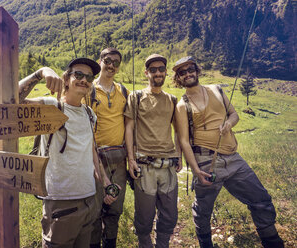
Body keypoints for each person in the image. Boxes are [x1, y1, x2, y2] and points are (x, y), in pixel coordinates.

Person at [173, 56, 284, 248]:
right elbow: (183, 140)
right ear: (178, 78)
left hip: (233, 158)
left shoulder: (216, 89)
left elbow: (234, 114)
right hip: (206, 161)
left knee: (261, 199)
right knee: (203, 211)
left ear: (197, 70)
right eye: (182, 72)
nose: (188, 73)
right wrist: (196, 170)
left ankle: (272, 242)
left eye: (191, 69)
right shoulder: (182, 105)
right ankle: (205, 243)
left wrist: (229, 124)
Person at [18, 57, 117, 248]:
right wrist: (42, 71)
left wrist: (105, 182)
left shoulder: (90, 114)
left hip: (89, 200)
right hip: (61, 202)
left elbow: (91, 151)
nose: (84, 80)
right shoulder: (51, 107)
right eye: (78, 74)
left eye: (89, 77)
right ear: (66, 79)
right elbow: (9, 99)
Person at [124, 54, 182, 248]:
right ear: (146, 72)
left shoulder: (172, 100)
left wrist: (179, 155)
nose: (158, 72)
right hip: (144, 165)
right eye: (153, 69)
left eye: (161, 69)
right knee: (144, 214)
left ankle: (163, 243)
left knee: (170, 213)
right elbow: (129, 128)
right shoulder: (136, 96)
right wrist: (130, 159)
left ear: (165, 72)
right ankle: (144, 243)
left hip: (168, 166)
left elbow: (178, 131)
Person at [85, 48, 129, 248]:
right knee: (94, 211)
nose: (111, 65)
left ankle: (110, 242)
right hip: (94, 157)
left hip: (119, 158)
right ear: (100, 61)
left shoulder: (123, 91)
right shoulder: (89, 90)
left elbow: (129, 124)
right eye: (108, 60)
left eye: (116, 62)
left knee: (115, 208)